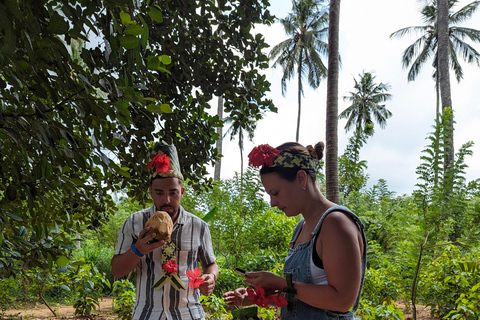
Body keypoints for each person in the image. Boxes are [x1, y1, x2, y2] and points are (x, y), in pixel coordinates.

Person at [223, 142, 367, 319]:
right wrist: (257, 297)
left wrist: (281, 283)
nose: (272, 203)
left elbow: (342, 300)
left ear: (301, 178)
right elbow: (302, 300)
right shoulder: (302, 226)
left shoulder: (335, 223)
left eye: (275, 193)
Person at [111, 142, 218, 320]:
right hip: (147, 314)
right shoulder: (134, 223)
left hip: (189, 314)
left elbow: (210, 264)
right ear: (151, 192)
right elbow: (116, 271)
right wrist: (137, 250)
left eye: (173, 193)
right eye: (159, 193)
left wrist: (211, 277)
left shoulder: (199, 226)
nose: (167, 200)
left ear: (182, 192)